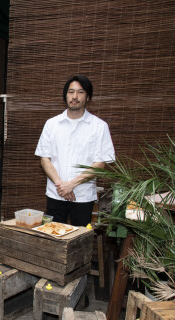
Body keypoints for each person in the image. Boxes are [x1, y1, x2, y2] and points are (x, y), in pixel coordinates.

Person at [34, 75, 115, 226]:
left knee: (80, 240)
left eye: (80, 92)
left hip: (83, 196)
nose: (75, 97)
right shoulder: (52, 124)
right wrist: (61, 185)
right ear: (65, 96)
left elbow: (100, 164)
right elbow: (45, 159)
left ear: (88, 97)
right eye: (71, 92)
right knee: (54, 238)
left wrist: (71, 185)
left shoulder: (99, 126)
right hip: (55, 194)